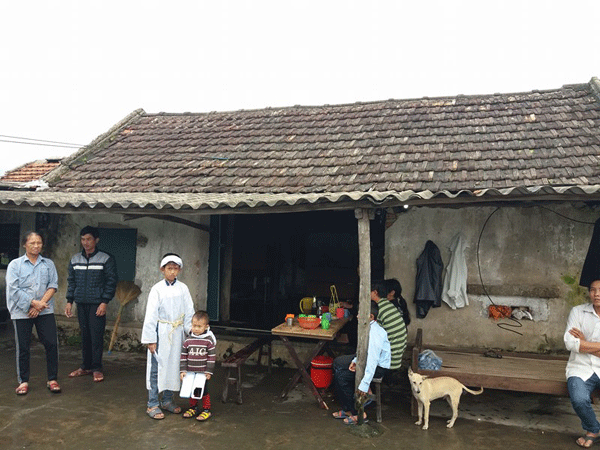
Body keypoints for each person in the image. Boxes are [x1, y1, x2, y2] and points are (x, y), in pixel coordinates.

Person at [142, 253, 195, 420]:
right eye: (169, 268)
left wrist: (193, 334)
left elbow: (189, 313)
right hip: (161, 332)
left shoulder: (183, 289)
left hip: (177, 332)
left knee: (173, 367)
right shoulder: (157, 289)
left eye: (175, 268)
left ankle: (167, 400)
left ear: (179, 270)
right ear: (162, 269)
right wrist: (151, 339)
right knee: (157, 369)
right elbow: (150, 315)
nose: (172, 272)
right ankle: (152, 404)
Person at [6, 231, 60, 395]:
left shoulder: (48, 264)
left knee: (51, 343)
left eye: (39, 243)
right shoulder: (15, 265)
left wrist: (39, 305)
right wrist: (32, 303)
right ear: (25, 245)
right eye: (32, 243)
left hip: (44, 310)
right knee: (23, 347)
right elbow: (13, 289)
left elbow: (53, 285)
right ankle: (23, 381)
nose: (36, 246)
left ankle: (52, 379)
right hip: (21, 312)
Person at [65, 226, 118, 383]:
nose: (85, 242)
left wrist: (104, 302)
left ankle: (96, 368)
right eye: (83, 239)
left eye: (88, 239)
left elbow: (111, 282)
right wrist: (69, 301)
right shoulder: (75, 260)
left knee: (96, 336)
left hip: (97, 304)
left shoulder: (105, 258)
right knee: (85, 335)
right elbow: (71, 282)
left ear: (96, 240)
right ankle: (85, 366)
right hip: (81, 302)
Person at [332, 300, 391, 425]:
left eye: (360, 313)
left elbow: (372, 360)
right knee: (339, 372)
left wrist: (364, 384)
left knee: (341, 376)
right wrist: (355, 360)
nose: (357, 316)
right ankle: (349, 409)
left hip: (377, 367)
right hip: (368, 361)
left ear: (371, 317)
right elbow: (363, 352)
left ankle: (358, 413)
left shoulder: (375, 334)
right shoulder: (367, 328)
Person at [565, 278, 600, 448]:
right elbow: (570, 343)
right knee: (579, 398)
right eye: (593, 290)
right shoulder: (578, 312)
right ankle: (593, 429)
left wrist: (585, 343)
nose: (597, 294)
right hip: (580, 368)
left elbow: (579, 345)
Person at [180, 310, 217, 421]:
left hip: (203, 372)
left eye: (199, 326)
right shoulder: (188, 340)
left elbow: (211, 357)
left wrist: (208, 371)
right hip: (190, 371)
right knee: (191, 389)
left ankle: (206, 410)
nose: (196, 329)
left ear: (206, 327)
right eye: (194, 325)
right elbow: (183, 356)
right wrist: (182, 370)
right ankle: (193, 408)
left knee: (202, 390)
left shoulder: (209, 341)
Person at [371, 281, 407, 371]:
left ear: (375, 292)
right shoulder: (390, 306)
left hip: (388, 361)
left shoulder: (381, 309)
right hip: (396, 357)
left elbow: (375, 340)